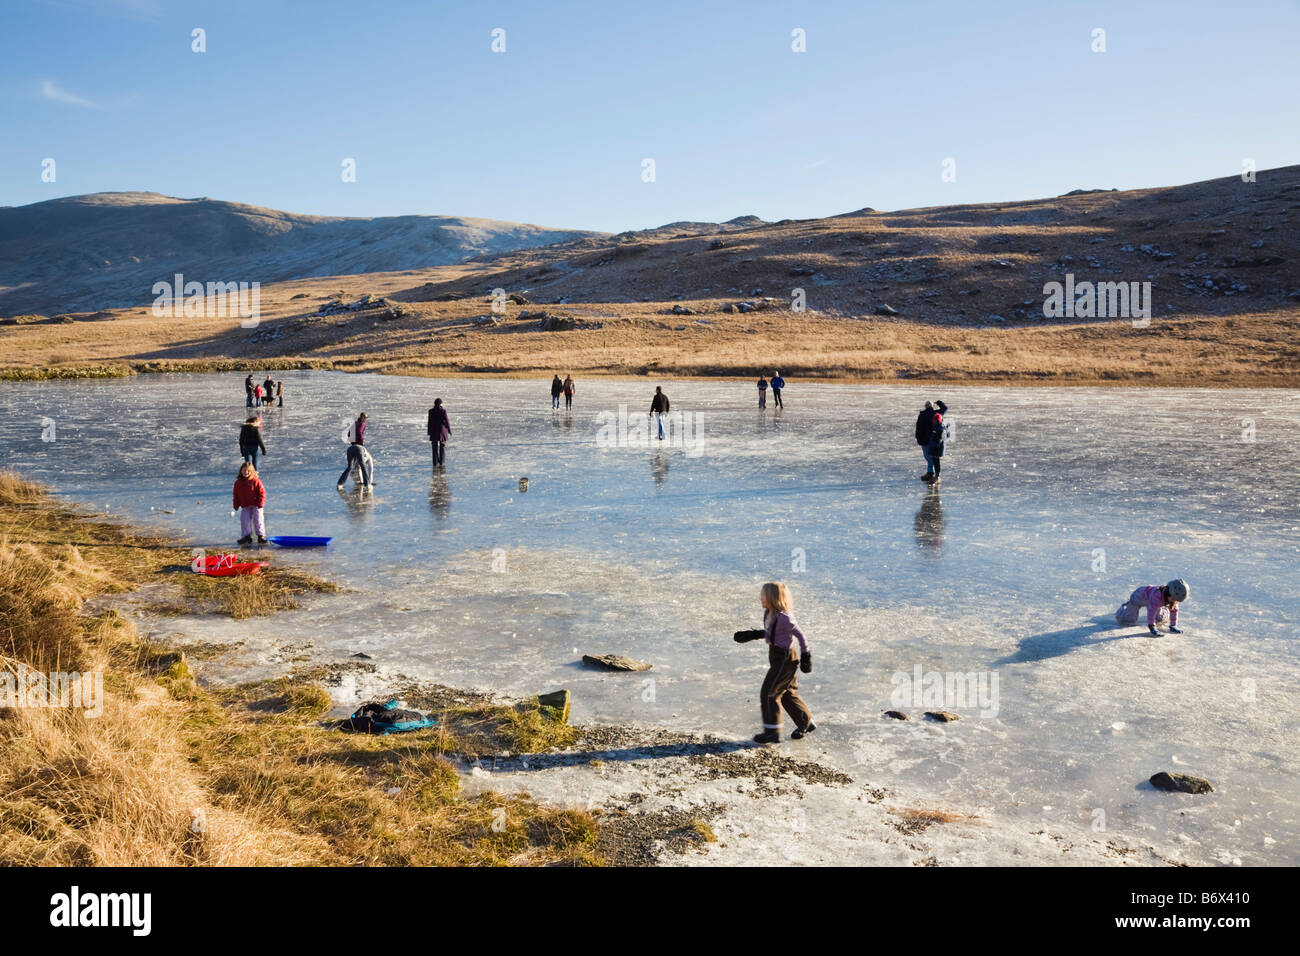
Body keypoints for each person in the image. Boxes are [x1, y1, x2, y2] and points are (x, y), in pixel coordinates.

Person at [734, 582, 814, 743]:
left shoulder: (786, 618)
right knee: (786, 693)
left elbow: (801, 636)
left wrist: (806, 657)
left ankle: (772, 732)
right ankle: (805, 722)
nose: (760, 598)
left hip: (785, 659)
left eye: (763, 596)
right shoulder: (770, 613)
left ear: (772, 598)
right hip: (777, 655)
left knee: (770, 693)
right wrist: (752, 635)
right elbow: (774, 633)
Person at [1116, 579, 1188, 636]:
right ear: (1168, 592)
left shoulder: (1173, 598)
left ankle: (1163, 610)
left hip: (1153, 601)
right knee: (1128, 621)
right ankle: (1125, 608)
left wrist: (1173, 625)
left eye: (1175, 600)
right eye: (1172, 599)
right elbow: (1151, 611)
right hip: (1138, 597)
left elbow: (1174, 610)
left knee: (1160, 619)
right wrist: (1152, 626)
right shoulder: (1157, 596)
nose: (1173, 601)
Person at [233, 461, 267, 545]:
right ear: (241, 471)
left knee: (258, 520)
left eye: (248, 471)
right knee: (244, 520)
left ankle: (261, 536)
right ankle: (247, 536)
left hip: (256, 505)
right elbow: (236, 494)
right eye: (244, 470)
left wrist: (260, 503)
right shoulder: (238, 482)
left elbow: (262, 492)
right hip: (245, 505)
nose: (246, 472)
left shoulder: (255, 481)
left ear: (252, 472)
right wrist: (236, 504)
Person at [923, 400, 948, 484]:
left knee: (936, 462)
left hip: (937, 449)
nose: (932, 421)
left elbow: (939, 440)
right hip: (935, 448)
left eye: (934, 420)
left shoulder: (940, 429)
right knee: (934, 461)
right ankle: (935, 475)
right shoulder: (937, 426)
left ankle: (937, 476)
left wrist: (932, 445)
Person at [427, 398, 451, 467]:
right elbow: (447, 421)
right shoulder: (443, 411)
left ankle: (435, 462)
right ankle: (442, 462)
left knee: (434, 447)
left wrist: (429, 431)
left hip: (434, 431)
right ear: (440, 404)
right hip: (442, 432)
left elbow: (429, 422)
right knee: (442, 446)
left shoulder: (431, 411)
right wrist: (449, 430)